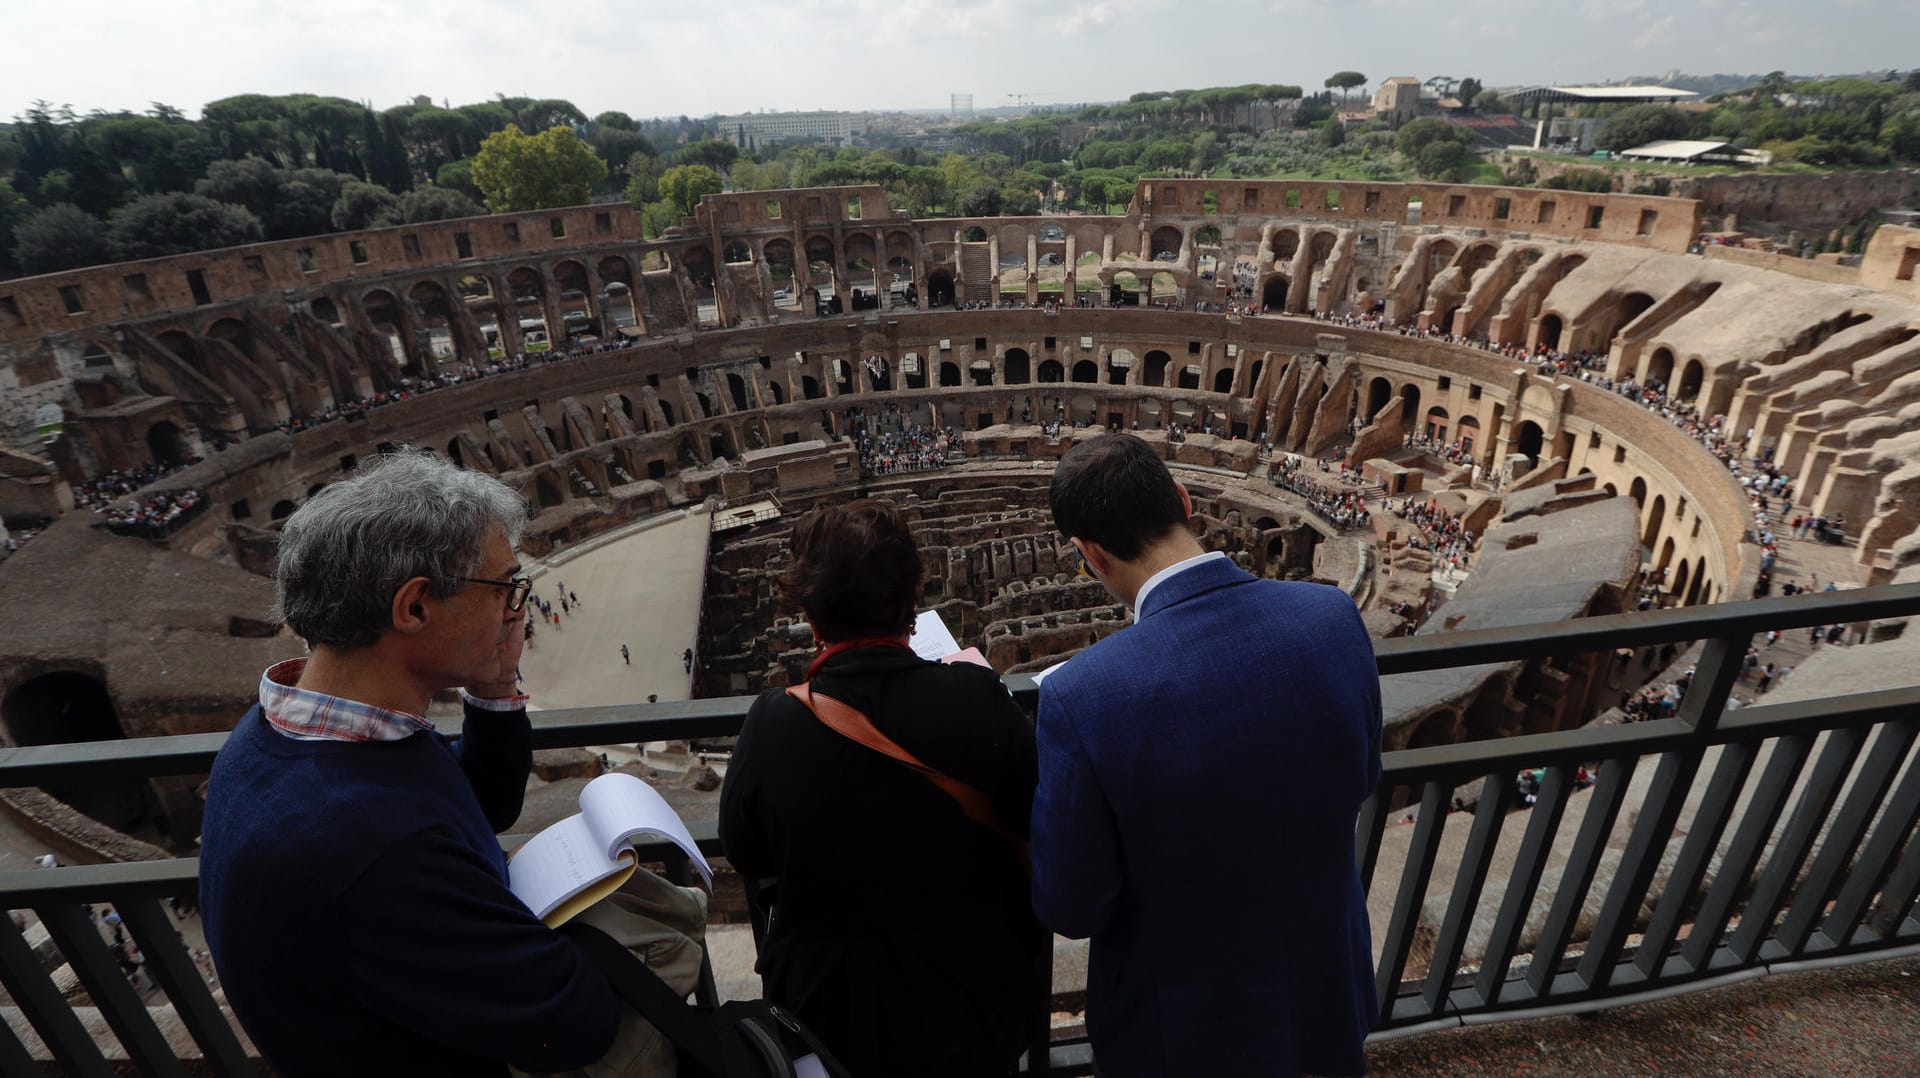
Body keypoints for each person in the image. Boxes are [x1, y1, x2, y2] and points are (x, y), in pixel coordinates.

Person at [198, 450, 620, 1076]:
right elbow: (575, 1021)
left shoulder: (287, 734)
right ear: (415, 607)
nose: (518, 608)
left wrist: (497, 690)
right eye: (505, 585)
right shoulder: (371, 845)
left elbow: (476, 804)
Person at [1032, 433, 1381, 1077]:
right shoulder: (1332, 617)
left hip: (1183, 1031)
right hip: (1323, 990)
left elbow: (1071, 906)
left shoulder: (1081, 695)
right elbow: (1359, 777)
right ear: (1184, 501)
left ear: (1090, 556)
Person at [720, 500, 1039, 1077]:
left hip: (832, 1018)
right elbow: (1030, 811)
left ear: (812, 619)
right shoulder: (977, 699)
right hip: (968, 1006)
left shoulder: (773, 723)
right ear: (912, 600)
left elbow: (745, 850)